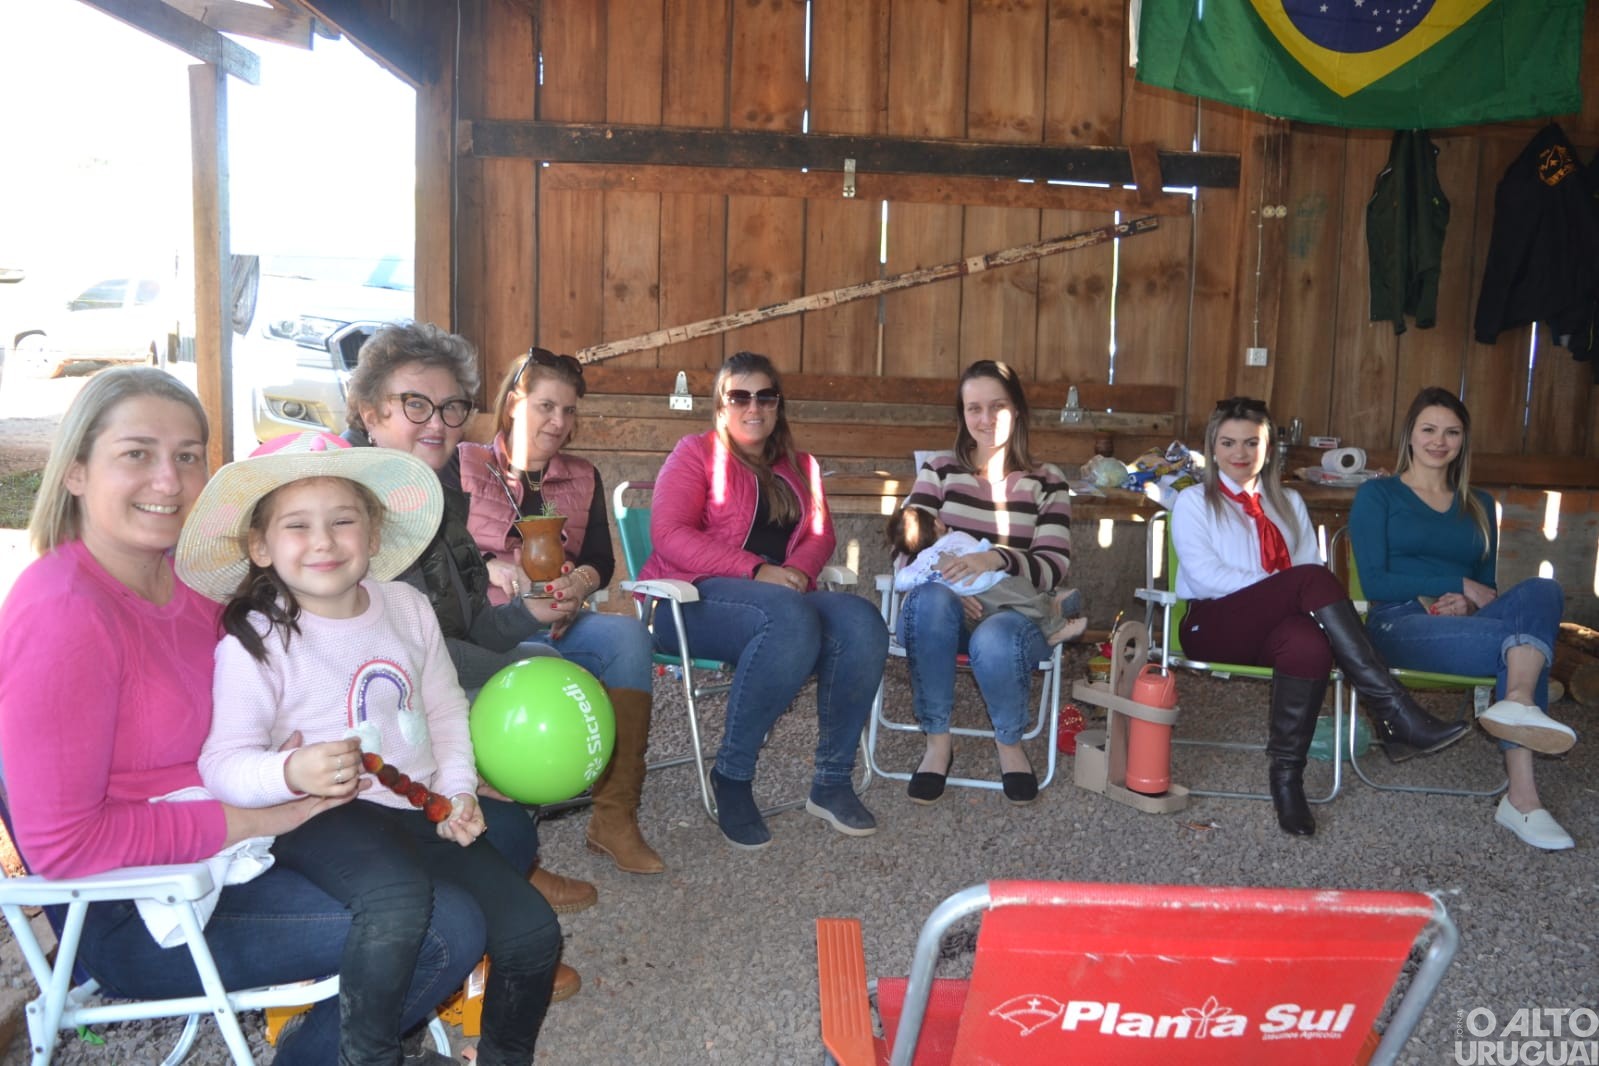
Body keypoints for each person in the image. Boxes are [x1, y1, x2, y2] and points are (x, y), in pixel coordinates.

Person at [0, 368, 479, 1064]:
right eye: (136, 453)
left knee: (463, 872)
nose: (168, 480)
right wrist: (260, 818)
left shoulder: (192, 583)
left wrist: (438, 768)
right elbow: (62, 847)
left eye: (188, 455)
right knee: (440, 928)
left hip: (241, 841)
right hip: (146, 902)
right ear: (75, 471)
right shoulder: (63, 615)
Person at [177, 431, 560, 1064]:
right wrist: (290, 769)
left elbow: (444, 708)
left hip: (420, 807)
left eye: (343, 520)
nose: (323, 541)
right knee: (397, 902)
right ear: (261, 546)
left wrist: (458, 790)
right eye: (297, 525)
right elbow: (221, 765)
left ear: (375, 534)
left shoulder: (406, 607)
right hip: (322, 816)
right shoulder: (256, 638)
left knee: (533, 935)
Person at [341, 322, 591, 990]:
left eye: (452, 407)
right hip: (369, 715)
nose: (439, 422)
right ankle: (479, 931)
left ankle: (508, 874)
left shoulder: (436, 497)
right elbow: (394, 655)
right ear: (369, 412)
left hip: (430, 680)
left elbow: (472, 626)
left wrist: (529, 614)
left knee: (544, 673)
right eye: (415, 404)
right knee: (529, 689)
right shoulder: (345, 508)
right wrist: (516, 673)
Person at [1171, 396, 1470, 837]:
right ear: (1212, 448)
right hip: (1213, 625)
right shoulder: (1194, 501)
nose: (1240, 453)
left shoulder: (1289, 502)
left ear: (1268, 449)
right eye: (1228, 442)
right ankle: (1392, 710)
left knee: (1308, 643)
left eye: (1252, 442)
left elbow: (1306, 582)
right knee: (1309, 579)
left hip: (1275, 629)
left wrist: (1287, 590)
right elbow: (1208, 577)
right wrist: (1280, 586)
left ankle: (1287, 780)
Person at [639, 351, 888, 849]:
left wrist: (796, 573)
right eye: (739, 397)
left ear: (778, 405)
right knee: (790, 619)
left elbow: (820, 534)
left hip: (779, 600)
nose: (753, 407)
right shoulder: (694, 454)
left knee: (862, 620)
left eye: (765, 396)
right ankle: (732, 776)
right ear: (720, 405)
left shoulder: (801, 466)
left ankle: (832, 781)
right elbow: (668, 533)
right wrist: (756, 570)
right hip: (688, 600)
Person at [457, 348, 663, 874]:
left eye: (568, 411)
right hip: (491, 627)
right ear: (513, 404)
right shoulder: (465, 464)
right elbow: (441, 551)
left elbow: (601, 561)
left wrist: (579, 582)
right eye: (546, 406)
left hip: (561, 618)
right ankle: (517, 841)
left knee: (629, 638)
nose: (558, 422)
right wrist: (487, 566)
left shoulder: (583, 475)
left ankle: (615, 816)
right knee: (532, 669)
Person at [1351, 387, 1577, 850]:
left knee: (1544, 591)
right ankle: (1523, 798)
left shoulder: (1479, 504)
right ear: (1410, 435)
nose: (1439, 441)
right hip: (1399, 624)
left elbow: (1485, 589)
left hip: (1465, 623)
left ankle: (1517, 701)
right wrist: (1453, 582)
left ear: (1463, 441)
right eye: (1429, 430)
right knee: (1521, 646)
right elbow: (1374, 582)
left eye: (1451, 432)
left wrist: (1467, 601)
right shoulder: (1379, 495)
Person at [897, 360, 1073, 806]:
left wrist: (994, 558)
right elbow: (908, 548)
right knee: (931, 602)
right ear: (962, 415)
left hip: (1014, 616)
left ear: (1019, 410)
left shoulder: (1047, 481)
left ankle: (1009, 743)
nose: (986, 419)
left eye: (998, 406)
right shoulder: (939, 470)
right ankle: (938, 743)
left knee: (996, 636)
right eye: (974, 408)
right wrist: (954, 589)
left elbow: (1054, 565)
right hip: (948, 614)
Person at [888, 503, 1087, 647]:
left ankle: (1049, 603)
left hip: (975, 599)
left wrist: (938, 585)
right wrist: (995, 557)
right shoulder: (956, 536)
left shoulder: (918, 564)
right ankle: (1054, 625)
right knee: (1020, 595)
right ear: (938, 523)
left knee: (1016, 602)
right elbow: (981, 548)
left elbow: (901, 581)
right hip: (989, 585)